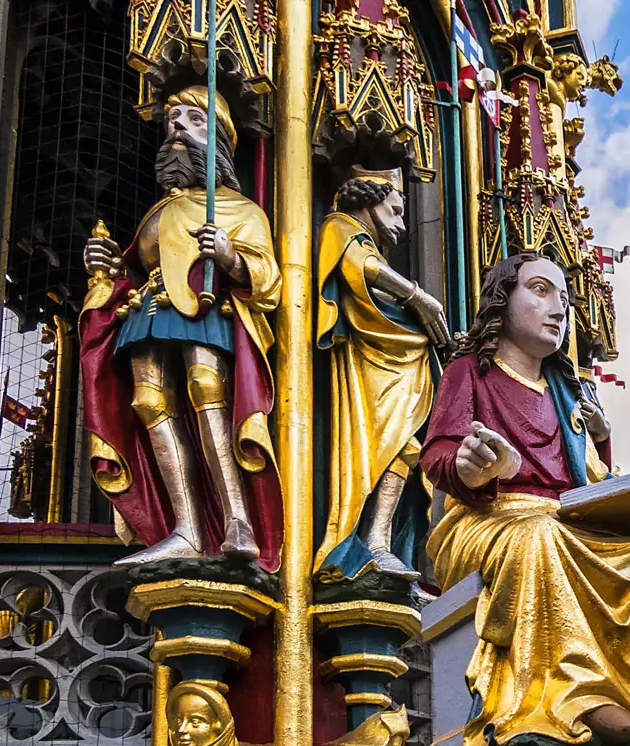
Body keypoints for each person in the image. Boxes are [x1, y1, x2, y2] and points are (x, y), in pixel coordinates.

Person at [420, 252, 630, 746]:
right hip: (486, 517)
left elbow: (594, 481)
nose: (559, 309)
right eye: (540, 291)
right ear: (502, 301)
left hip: (563, 521)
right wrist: (471, 465)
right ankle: (571, 702)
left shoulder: (566, 395)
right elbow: (439, 453)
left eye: (566, 300)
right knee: (541, 538)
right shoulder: (470, 373)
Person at [80, 87, 282, 571]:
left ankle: (238, 520)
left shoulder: (241, 210)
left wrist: (231, 256)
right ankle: (187, 529)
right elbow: (137, 265)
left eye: (193, 120)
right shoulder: (158, 211)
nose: (177, 128)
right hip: (148, 309)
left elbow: (270, 278)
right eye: (172, 120)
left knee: (205, 385)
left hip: (205, 306)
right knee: (148, 402)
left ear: (220, 142)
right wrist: (107, 267)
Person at [313, 167, 448, 583]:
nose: (404, 224)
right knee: (381, 449)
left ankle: (380, 542)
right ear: (371, 201)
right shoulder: (339, 227)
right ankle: (359, 543)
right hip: (365, 369)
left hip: (395, 362)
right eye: (396, 210)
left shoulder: (369, 246)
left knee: (406, 448)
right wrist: (419, 297)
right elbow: (360, 264)